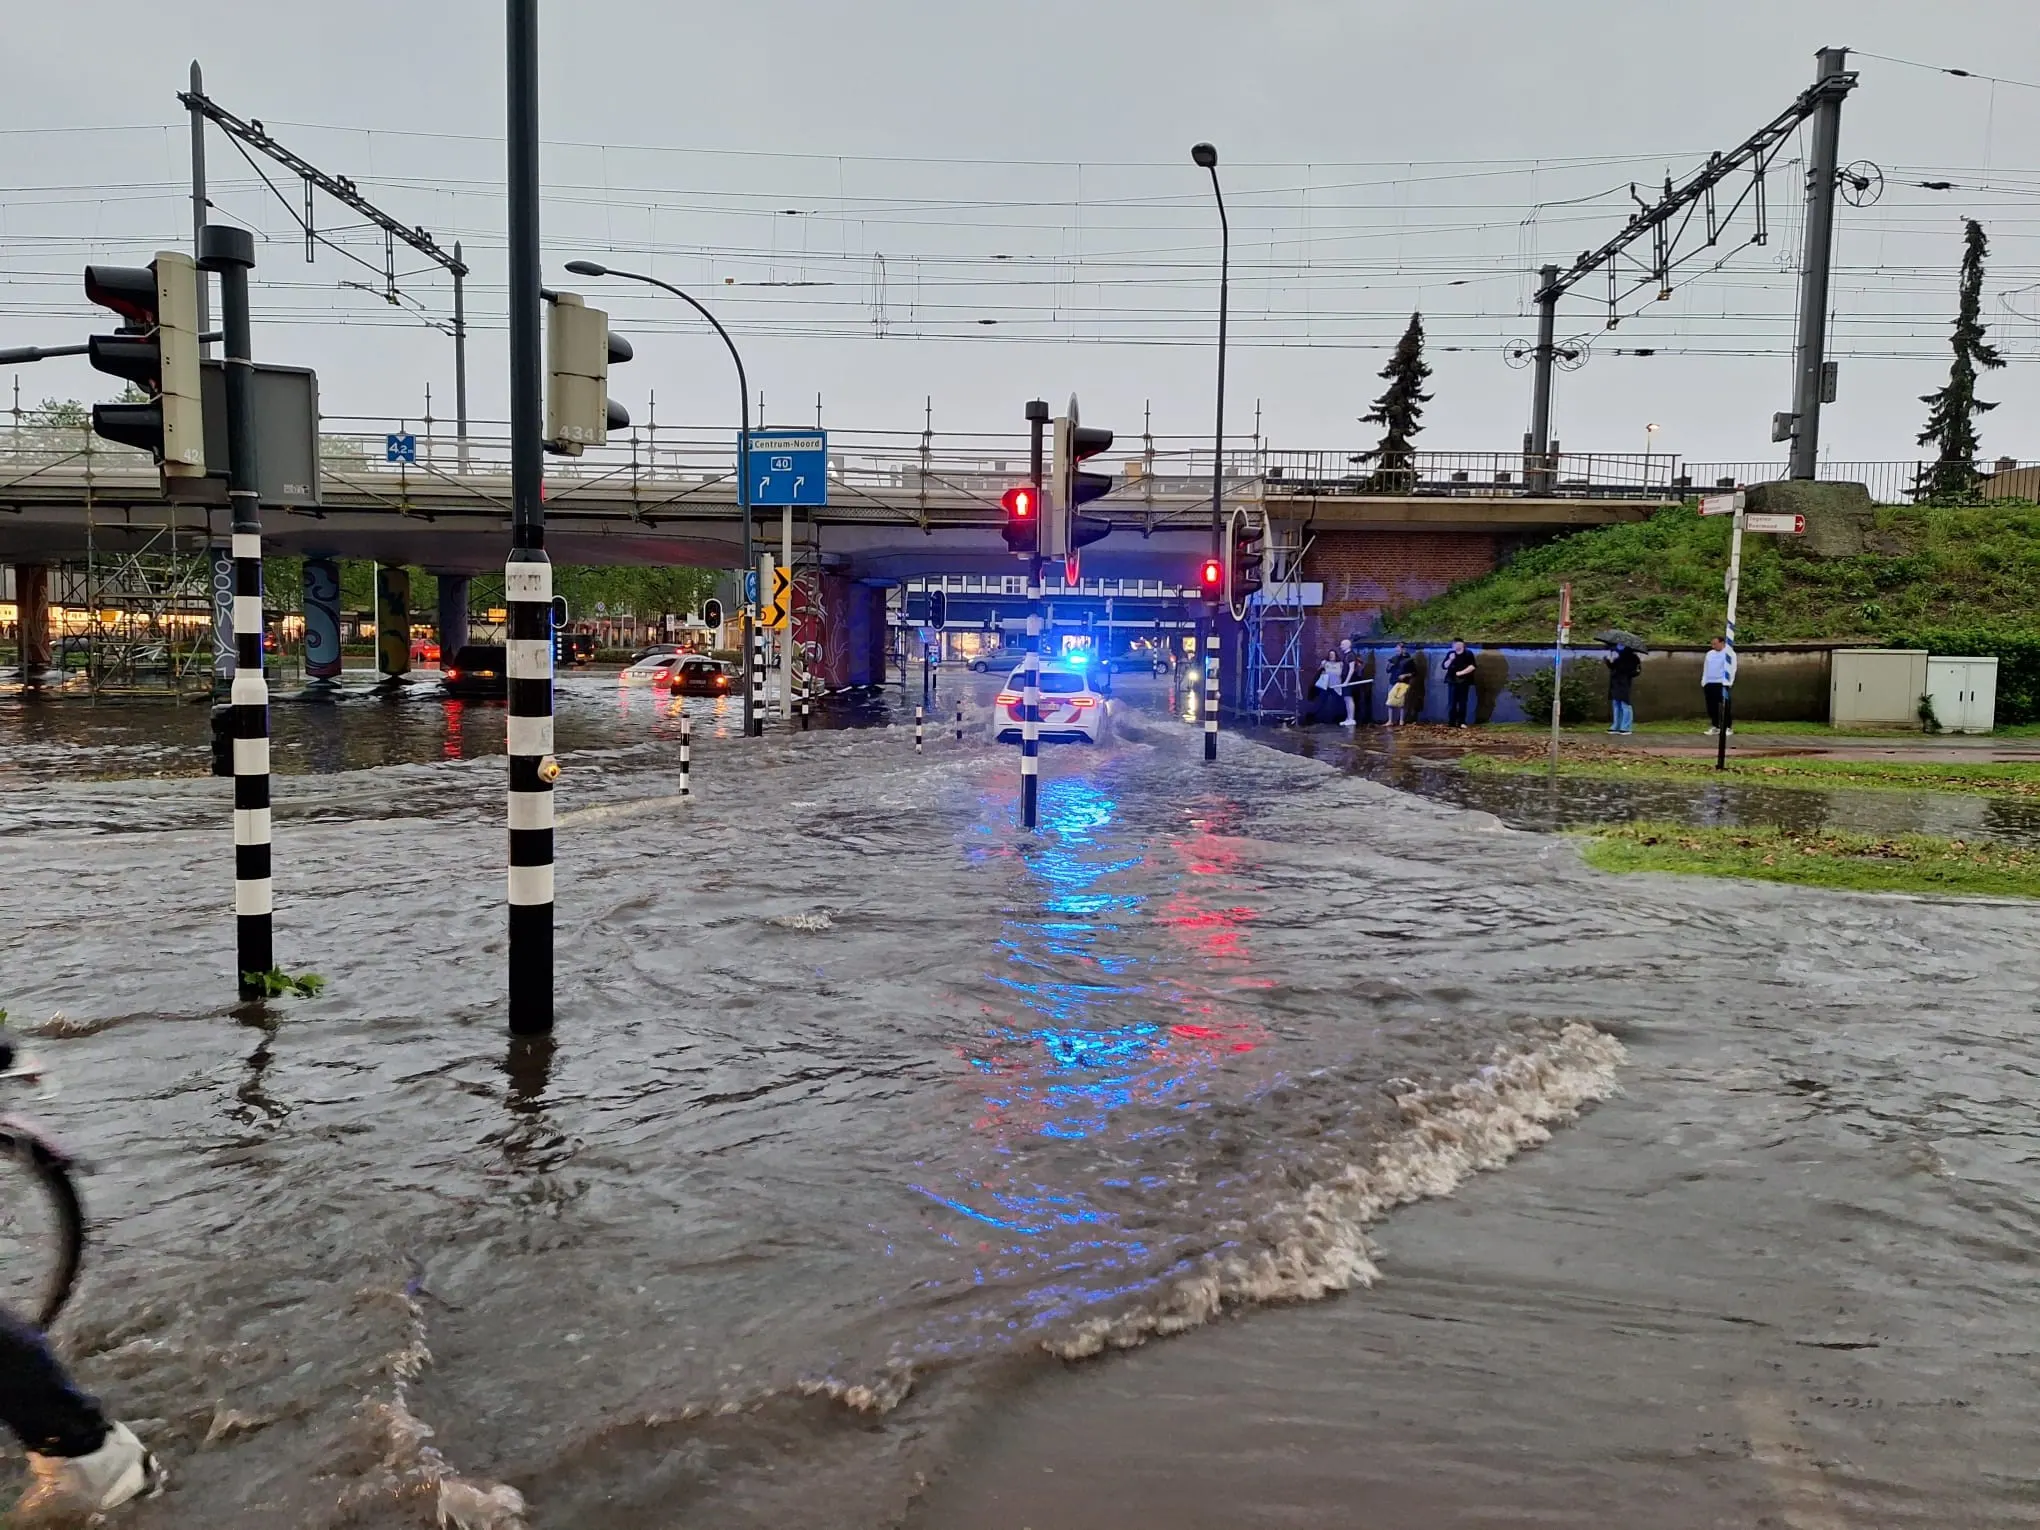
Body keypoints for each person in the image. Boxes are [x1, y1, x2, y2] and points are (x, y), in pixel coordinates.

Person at [1604, 641, 1642, 735]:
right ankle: (1616, 726)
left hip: (1624, 683)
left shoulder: (1632, 657)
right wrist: (1609, 661)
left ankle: (1626, 727)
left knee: (1625, 704)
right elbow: (1613, 667)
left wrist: (1620, 666)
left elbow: (1634, 671)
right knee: (1616, 704)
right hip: (1615, 682)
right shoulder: (1617, 655)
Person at [1702, 636, 1737, 735]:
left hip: (1722, 683)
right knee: (1711, 706)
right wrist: (1704, 681)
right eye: (1712, 644)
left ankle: (1727, 727)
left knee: (1725, 705)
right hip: (1710, 683)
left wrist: (1729, 682)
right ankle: (1715, 726)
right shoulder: (1709, 654)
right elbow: (1706, 667)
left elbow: (1732, 668)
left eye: (1715, 644)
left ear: (1722, 643)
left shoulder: (1729, 654)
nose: (1713, 646)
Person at [1440, 640, 1478, 728]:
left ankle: (1461, 722)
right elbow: (1444, 666)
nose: (1455, 646)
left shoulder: (1468, 653)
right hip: (1452, 681)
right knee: (1452, 703)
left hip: (1464, 681)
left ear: (1462, 645)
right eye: (1454, 644)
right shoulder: (1451, 653)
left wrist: (1461, 673)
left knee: (1462, 702)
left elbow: (1473, 666)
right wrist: (1450, 659)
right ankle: (1452, 722)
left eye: (1457, 644)